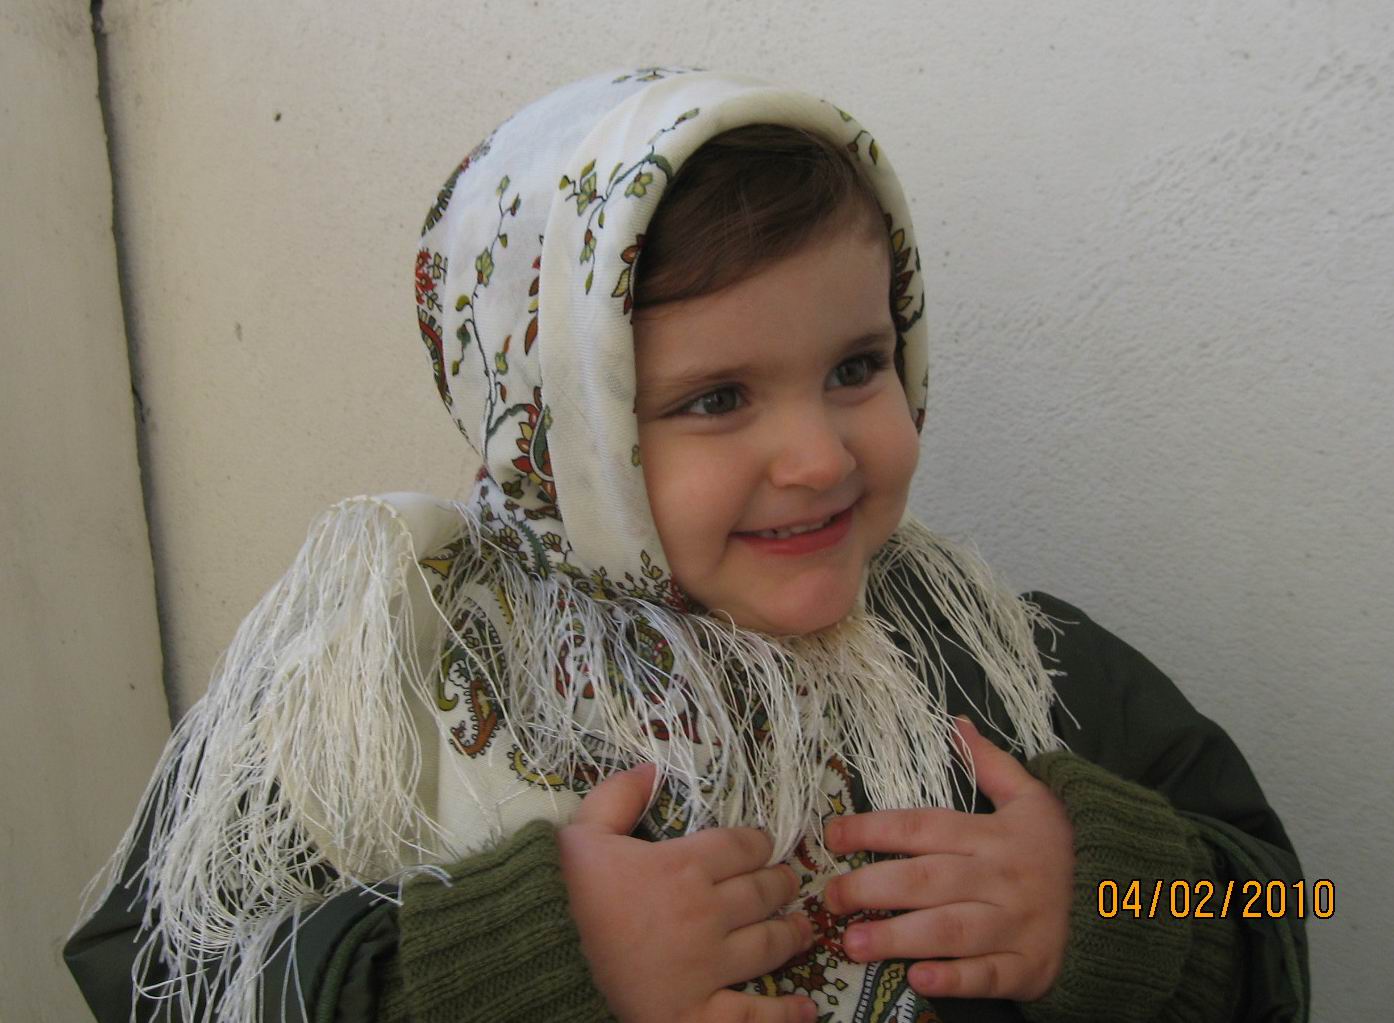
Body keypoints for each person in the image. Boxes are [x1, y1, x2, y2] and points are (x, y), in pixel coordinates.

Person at [66, 67, 1308, 1023]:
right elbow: (152, 969)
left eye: (856, 367)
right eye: (716, 398)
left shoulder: (999, 663)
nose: (816, 456)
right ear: (554, 432)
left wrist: (1112, 910)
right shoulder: (384, 683)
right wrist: (505, 972)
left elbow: (1274, 900)